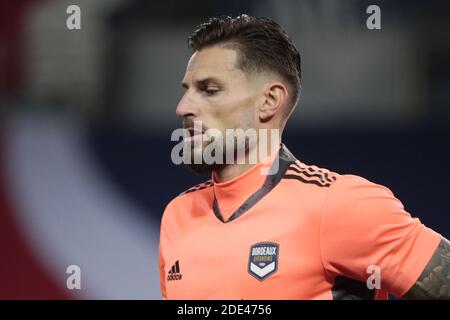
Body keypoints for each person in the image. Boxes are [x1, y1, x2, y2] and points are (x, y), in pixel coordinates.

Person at [158, 15, 449, 299]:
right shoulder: (178, 215)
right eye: (186, 91)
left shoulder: (338, 204)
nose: (183, 107)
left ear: (269, 101)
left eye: (209, 90)